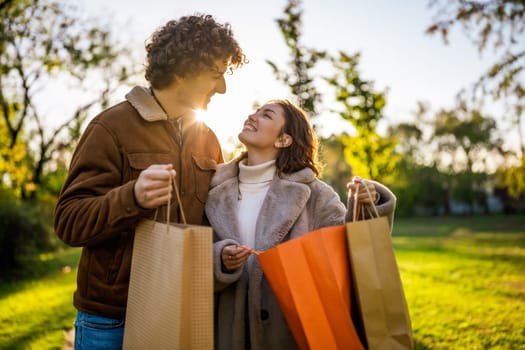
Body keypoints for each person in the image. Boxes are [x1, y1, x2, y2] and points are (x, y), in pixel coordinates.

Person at [54, 14, 246, 349]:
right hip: (112, 320)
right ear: (183, 70)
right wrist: (133, 197)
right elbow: (70, 222)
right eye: (216, 74)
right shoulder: (111, 127)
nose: (222, 87)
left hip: (182, 309)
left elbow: (214, 220)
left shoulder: (208, 139)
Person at [205, 99, 396, 350]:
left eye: (266, 115)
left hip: (292, 331)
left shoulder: (315, 194)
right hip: (229, 332)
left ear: (284, 140)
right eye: (255, 111)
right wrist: (220, 259)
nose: (253, 116)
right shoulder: (214, 189)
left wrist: (368, 204)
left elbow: (350, 251)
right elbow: (194, 253)